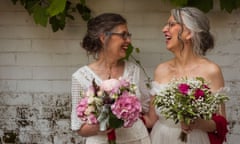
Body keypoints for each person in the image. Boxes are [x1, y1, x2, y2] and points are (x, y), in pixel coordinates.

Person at [143, 7, 228, 144]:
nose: (164, 29)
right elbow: (151, 120)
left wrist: (197, 123)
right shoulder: (161, 70)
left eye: (171, 24)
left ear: (189, 32)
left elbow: (221, 123)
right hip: (160, 138)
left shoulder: (211, 71)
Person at [71, 13, 151, 144]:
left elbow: (146, 111)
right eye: (123, 35)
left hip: (137, 140)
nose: (128, 40)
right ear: (103, 37)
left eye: (128, 35)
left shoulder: (134, 71)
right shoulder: (81, 77)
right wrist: (103, 124)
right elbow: (78, 127)